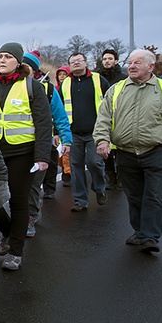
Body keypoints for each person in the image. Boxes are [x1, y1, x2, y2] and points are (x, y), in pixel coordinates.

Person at [94, 49, 162, 254]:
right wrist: (102, 140)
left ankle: (150, 236)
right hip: (125, 153)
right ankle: (140, 231)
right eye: (130, 62)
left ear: (151, 67)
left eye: (137, 63)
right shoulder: (117, 89)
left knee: (155, 195)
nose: (131, 66)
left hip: (156, 151)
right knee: (135, 195)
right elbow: (104, 117)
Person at [0, 42, 52, 270]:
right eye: (0, 56)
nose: (2, 60)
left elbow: (43, 123)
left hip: (22, 152)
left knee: (18, 201)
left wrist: (42, 157)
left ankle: (15, 252)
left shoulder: (32, 87)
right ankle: (8, 232)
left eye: (8, 57)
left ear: (18, 62)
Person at [23, 53, 72, 237]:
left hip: (41, 145)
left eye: (25, 65)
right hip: (16, 146)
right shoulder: (9, 86)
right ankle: (24, 214)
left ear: (34, 70)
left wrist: (65, 139)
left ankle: (31, 216)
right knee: (19, 186)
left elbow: (60, 116)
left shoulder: (48, 90)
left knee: (34, 183)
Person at [60, 52, 110, 211]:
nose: (75, 63)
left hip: (95, 131)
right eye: (72, 62)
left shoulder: (98, 79)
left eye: (78, 61)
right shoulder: (66, 83)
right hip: (73, 132)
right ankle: (80, 200)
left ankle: (99, 188)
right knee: (76, 166)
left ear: (86, 62)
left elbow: (110, 102)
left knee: (95, 162)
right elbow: (59, 108)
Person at [96, 49, 127, 190]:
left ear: (115, 61)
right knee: (104, 148)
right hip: (102, 116)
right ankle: (110, 176)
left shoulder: (123, 78)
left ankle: (121, 177)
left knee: (119, 149)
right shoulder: (97, 77)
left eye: (110, 58)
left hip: (120, 116)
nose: (107, 61)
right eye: (104, 59)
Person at [56, 65, 73, 188]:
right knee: (60, 154)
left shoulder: (71, 87)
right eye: (60, 74)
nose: (62, 77)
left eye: (64, 74)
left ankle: (68, 174)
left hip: (72, 125)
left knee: (67, 153)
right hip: (61, 126)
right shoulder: (56, 90)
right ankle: (65, 171)